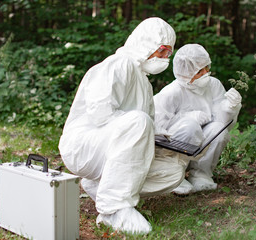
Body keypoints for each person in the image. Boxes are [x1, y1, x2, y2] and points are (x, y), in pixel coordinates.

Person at [58, 17, 176, 234]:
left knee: (173, 172)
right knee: (139, 122)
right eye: (162, 50)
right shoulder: (119, 64)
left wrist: (156, 136)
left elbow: (139, 124)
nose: (164, 58)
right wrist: (140, 129)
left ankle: (98, 185)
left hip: (107, 145)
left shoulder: (145, 83)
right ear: (146, 43)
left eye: (168, 53)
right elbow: (100, 111)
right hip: (84, 146)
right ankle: (113, 209)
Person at [153, 44, 242, 195]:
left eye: (207, 67)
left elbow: (223, 125)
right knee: (190, 126)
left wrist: (230, 108)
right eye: (200, 71)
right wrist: (185, 118)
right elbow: (156, 131)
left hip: (200, 146)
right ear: (186, 73)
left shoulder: (213, 85)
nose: (206, 73)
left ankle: (200, 173)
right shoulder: (171, 93)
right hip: (172, 150)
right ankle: (173, 175)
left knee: (217, 129)